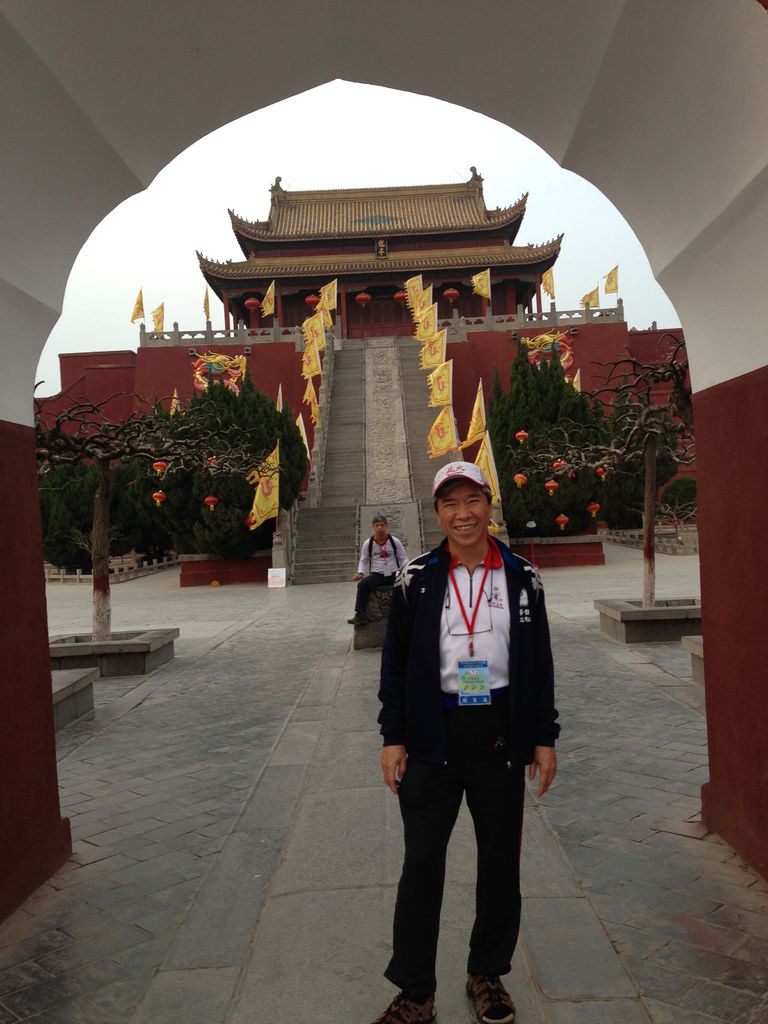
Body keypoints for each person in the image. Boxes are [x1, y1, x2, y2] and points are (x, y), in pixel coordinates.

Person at [372, 462, 559, 1024]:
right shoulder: (416, 578)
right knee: (422, 862)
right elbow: (394, 664)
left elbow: (540, 662)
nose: (463, 514)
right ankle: (415, 991)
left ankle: (487, 973)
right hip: (431, 736)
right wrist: (393, 736)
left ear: (488, 506)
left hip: (499, 734)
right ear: (437, 514)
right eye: (450, 504)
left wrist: (543, 737)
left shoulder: (523, 577)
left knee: (499, 861)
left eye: (472, 501)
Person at [348, 514, 409, 626]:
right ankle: (360, 614)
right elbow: (364, 560)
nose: (379, 528)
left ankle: (408, 612)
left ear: (386, 526)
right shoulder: (368, 543)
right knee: (363, 585)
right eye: (377, 525)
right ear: (373, 527)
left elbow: (403, 558)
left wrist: (406, 569)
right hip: (377, 575)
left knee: (407, 584)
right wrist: (360, 572)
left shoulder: (394, 541)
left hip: (394, 573)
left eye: (382, 525)